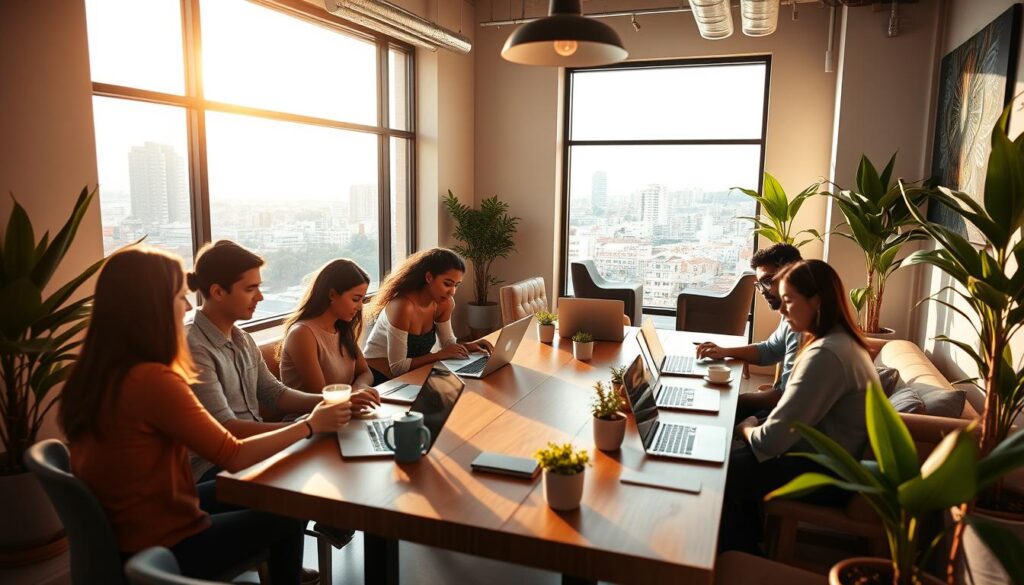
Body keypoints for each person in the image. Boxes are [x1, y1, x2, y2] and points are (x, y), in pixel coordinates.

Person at [59, 246, 350, 583]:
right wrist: (310, 426)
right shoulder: (153, 379)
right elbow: (233, 454)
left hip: (135, 523)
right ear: (149, 306)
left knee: (280, 494)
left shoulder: (96, 371)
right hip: (162, 541)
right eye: (179, 297)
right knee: (284, 517)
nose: (186, 306)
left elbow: (271, 395)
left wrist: (314, 414)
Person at [718, 259, 880, 554]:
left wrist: (747, 429)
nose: (781, 310)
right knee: (730, 457)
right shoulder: (839, 342)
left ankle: (739, 558)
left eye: (789, 301)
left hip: (826, 475)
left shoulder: (826, 355)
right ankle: (747, 545)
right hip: (831, 461)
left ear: (816, 301)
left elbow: (772, 440)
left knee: (720, 471)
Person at [185, 240, 375, 483]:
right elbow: (228, 429)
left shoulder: (241, 337)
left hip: (255, 451)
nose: (261, 297)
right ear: (218, 292)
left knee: (347, 465)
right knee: (327, 473)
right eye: (250, 289)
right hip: (215, 469)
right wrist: (307, 426)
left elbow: (274, 394)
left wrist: (337, 403)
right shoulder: (195, 348)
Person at [696, 243, 802, 421]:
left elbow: (784, 396)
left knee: (720, 411)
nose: (763, 291)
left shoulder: (801, 326)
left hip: (789, 419)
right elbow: (769, 350)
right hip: (786, 409)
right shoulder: (790, 313)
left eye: (768, 282)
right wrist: (725, 351)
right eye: (760, 284)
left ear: (792, 276)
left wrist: (740, 400)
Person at [363, 248, 494, 385]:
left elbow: (447, 344)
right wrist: (438, 355)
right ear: (429, 277)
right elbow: (397, 367)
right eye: (447, 284)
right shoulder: (402, 306)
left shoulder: (444, 303)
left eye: (456, 285)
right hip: (380, 377)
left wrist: (468, 346)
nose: (452, 292)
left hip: (412, 373)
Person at [278, 259, 379, 408]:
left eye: (362, 300)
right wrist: (353, 397)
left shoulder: (342, 329)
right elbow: (320, 394)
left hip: (344, 411)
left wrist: (360, 387)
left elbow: (366, 372)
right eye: (355, 299)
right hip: (310, 419)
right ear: (332, 294)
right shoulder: (302, 334)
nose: (359, 307)